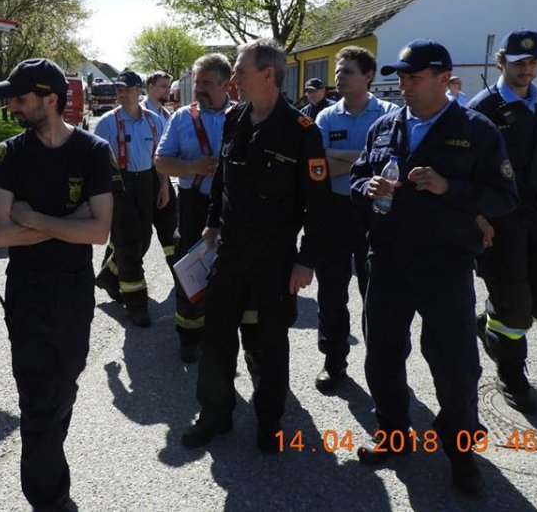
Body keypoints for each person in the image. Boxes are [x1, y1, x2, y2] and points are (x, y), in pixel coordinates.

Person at [350, 39, 517, 496]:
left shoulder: (476, 129)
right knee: (382, 352)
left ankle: (461, 452)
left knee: (454, 363)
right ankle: (393, 432)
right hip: (388, 259)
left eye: (415, 77)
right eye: (402, 77)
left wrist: (450, 187)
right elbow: (359, 176)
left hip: (445, 263)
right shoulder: (385, 125)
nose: (405, 85)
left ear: (443, 79)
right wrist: (367, 187)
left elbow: (504, 198)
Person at [181, 38, 332, 453]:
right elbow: (222, 181)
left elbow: (319, 205)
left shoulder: (302, 131)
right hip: (230, 250)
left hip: (276, 256)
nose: (233, 78)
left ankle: (270, 422)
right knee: (217, 336)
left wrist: (306, 260)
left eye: (240, 70)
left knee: (270, 343)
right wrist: (212, 223)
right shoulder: (235, 118)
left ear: (268, 74)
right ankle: (215, 414)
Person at [0, 58, 117, 512]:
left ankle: (46, 459)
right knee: (37, 398)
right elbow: (0, 233)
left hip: (74, 290)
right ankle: (49, 498)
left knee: (65, 384)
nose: (13, 107)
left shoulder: (94, 151)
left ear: (51, 100)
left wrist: (35, 218)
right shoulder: (9, 155)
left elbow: (99, 231)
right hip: (28, 290)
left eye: (20, 98)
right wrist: (69, 222)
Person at [467, 30, 537, 415]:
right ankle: (511, 374)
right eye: (518, 62)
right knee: (513, 301)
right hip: (500, 219)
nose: (526, 69)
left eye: (532, 62)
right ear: (501, 63)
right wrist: (478, 219)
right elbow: (467, 171)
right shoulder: (482, 109)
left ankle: (492, 323)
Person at [155, 53, 260, 367]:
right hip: (194, 207)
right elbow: (160, 162)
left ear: (226, 84)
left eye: (207, 83)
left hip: (235, 209)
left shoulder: (246, 115)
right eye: (197, 82)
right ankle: (190, 338)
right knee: (190, 274)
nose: (199, 88)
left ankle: (252, 346)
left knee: (243, 275)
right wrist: (192, 167)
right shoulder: (182, 118)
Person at [312, 46, 394, 392]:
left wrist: (339, 158)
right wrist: (364, 158)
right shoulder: (326, 117)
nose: (338, 77)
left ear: (368, 75)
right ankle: (334, 361)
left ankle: (381, 365)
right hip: (334, 210)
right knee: (331, 291)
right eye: (337, 71)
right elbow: (317, 167)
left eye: (347, 71)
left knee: (376, 292)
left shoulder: (389, 115)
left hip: (375, 213)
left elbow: (389, 167)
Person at [94, 70, 168, 327]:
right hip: (119, 184)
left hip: (146, 182)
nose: (122, 93)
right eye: (119, 89)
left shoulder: (154, 121)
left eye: (126, 89)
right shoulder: (107, 123)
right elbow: (97, 164)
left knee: (144, 239)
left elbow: (159, 158)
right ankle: (137, 305)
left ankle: (109, 275)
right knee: (128, 243)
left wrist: (163, 187)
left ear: (139, 90)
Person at [141, 71, 179, 293]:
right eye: (163, 86)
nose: (168, 90)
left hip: (162, 177)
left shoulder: (166, 114)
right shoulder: (139, 113)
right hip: (144, 178)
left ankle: (180, 275)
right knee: (137, 232)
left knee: (170, 227)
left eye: (169, 86)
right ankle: (111, 274)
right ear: (150, 87)